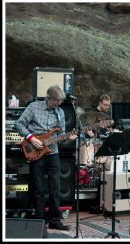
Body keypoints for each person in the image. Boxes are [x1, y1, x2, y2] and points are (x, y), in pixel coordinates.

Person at [15, 85, 77, 231]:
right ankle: (39, 219)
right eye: (56, 101)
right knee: (38, 187)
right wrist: (31, 138)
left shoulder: (60, 112)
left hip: (53, 152)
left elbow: (60, 136)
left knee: (55, 187)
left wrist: (69, 137)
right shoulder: (33, 107)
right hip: (35, 151)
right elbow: (19, 124)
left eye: (60, 101)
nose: (59, 104)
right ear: (48, 98)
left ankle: (55, 219)